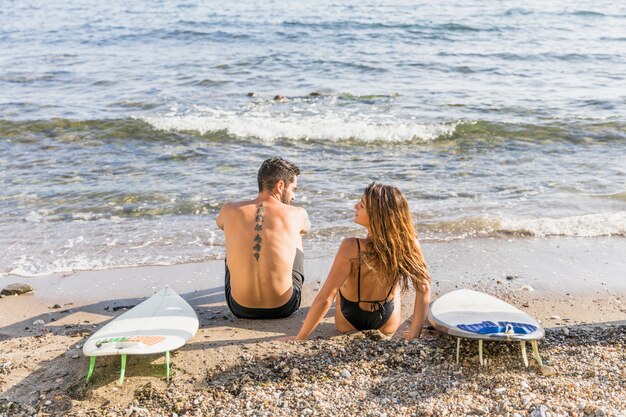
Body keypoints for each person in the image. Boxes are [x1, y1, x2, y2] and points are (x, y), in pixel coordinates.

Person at [284, 183, 430, 340]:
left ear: (376, 213)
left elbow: (326, 298)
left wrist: (300, 337)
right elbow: (424, 287)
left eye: (362, 204)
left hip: (349, 322)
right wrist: (414, 336)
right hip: (386, 322)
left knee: (341, 281)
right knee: (396, 283)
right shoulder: (409, 243)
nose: (355, 206)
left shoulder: (351, 246)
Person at [216, 157, 310, 319]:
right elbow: (306, 229)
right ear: (280, 185)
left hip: (238, 308)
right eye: (293, 189)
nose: (293, 196)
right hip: (284, 307)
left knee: (234, 234)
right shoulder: (297, 213)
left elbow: (220, 224)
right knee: (296, 236)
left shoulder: (228, 209)